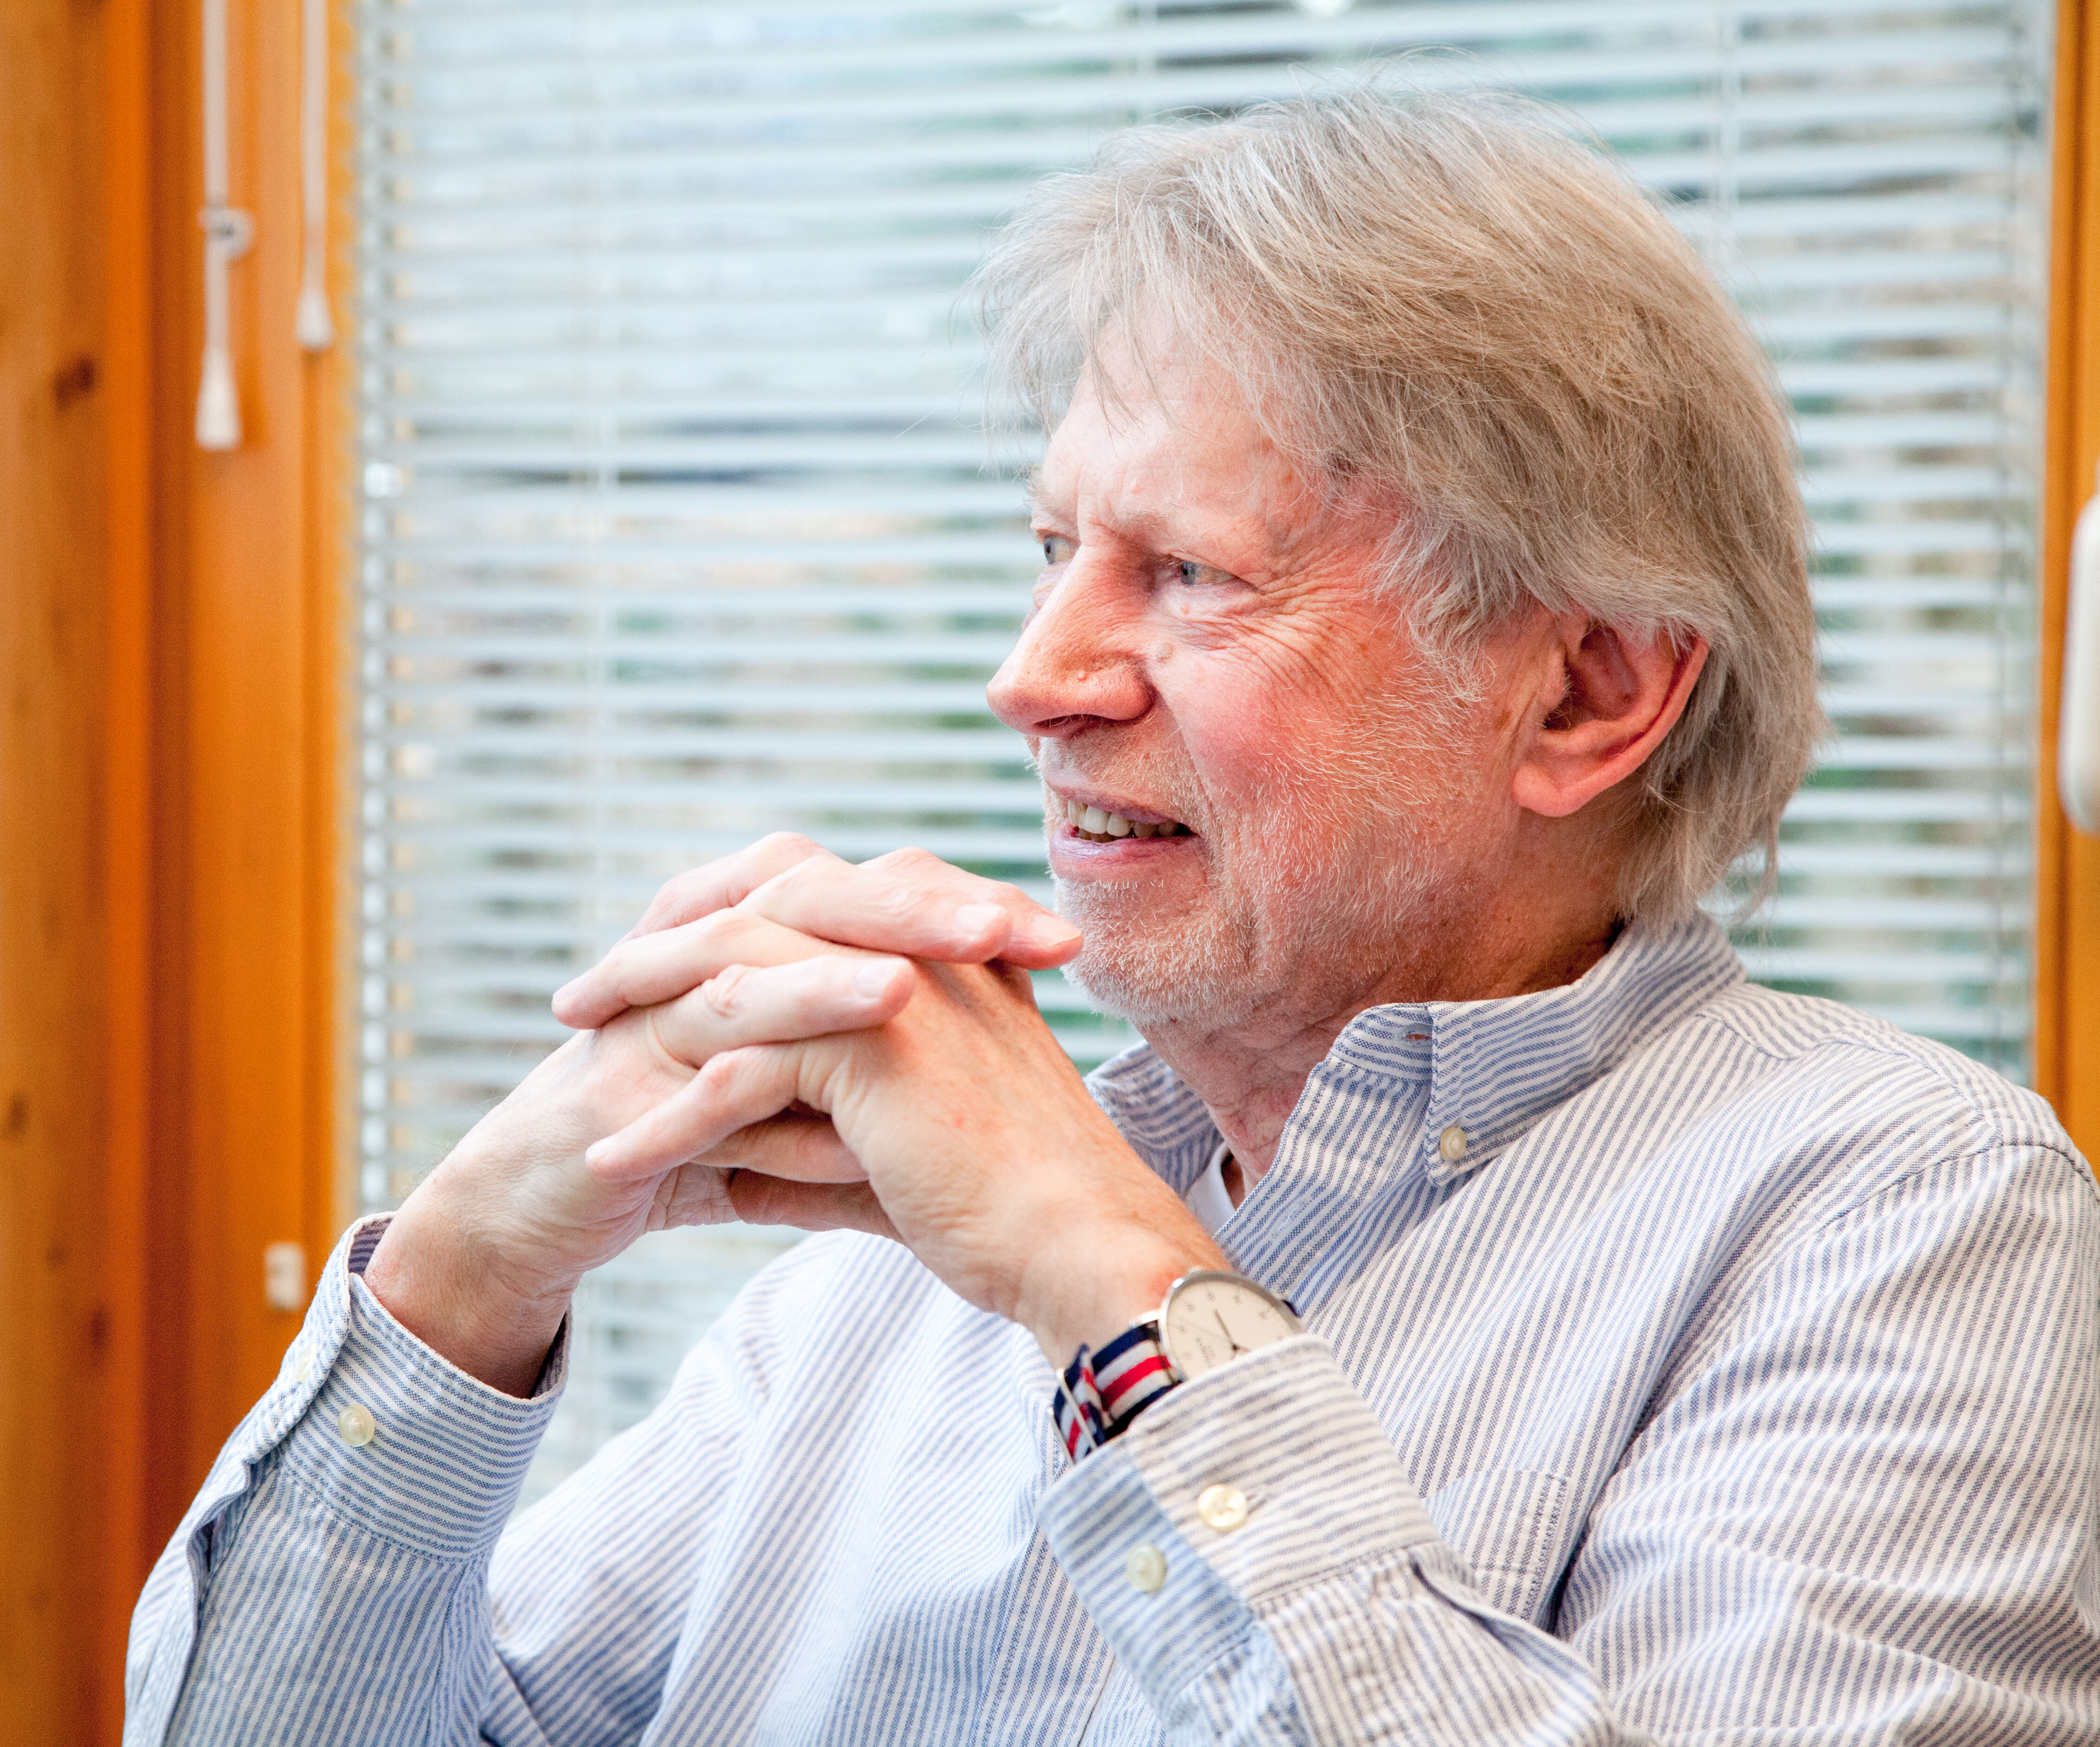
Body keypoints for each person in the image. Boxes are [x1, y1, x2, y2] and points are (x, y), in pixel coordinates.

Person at [125, 90, 2100, 1744]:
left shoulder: (1906, 1215)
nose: (1032, 675)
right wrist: (465, 1280)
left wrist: (1117, 1295)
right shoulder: (881, 1271)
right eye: (1055, 546)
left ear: (1585, 696)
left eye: (1188, 574)